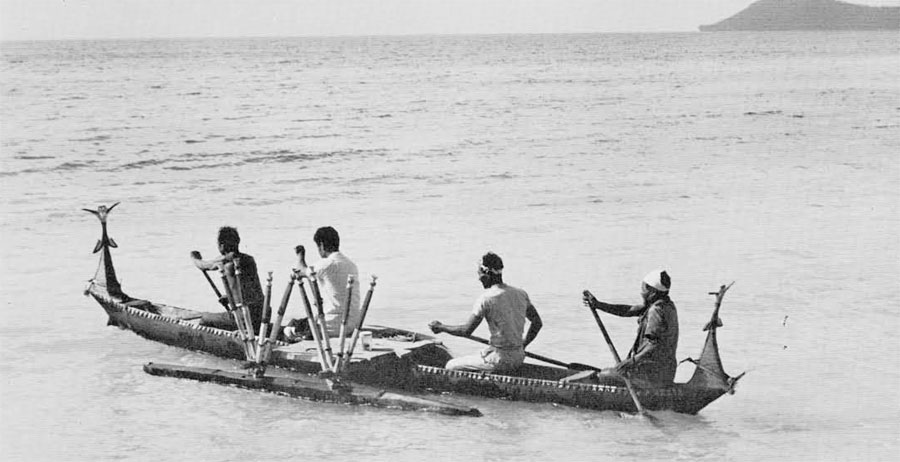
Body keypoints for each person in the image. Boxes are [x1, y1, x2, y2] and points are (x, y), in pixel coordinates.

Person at [428, 252, 543, 374]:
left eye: (479, 273)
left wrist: (441, 327)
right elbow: (537, 323)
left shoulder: (486, 298)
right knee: (481, 354)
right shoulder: (521, 293)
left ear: (486, 274)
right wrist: (522, 346)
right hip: (519, 357)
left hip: (499, 360)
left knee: (450, 366)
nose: (478, 278)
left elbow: (466, 331)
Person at [582, 269, 679, 386]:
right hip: (664, 372)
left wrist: (631, 362)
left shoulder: (655, 311)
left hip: (652, 374)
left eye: (644, 289)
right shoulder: (666, 305)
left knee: (605, 375)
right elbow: (627, 310)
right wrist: (598, 305)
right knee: (610, 372)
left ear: (653, 292)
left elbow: (654, 345)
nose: (641, 293)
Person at [287, 226, 360, 338]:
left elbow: (301, 271)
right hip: (353, 324)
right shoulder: (351, 265)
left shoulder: (327, 264)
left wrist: (300, 255)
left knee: (290, 327)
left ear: (321, 245)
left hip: (332, 327)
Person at [190, 226, 264, 334]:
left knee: (204, 319)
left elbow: (203, 265)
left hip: (243, 317)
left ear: (222, 245)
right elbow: (248, 292)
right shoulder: (249, 259)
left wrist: (194, 257)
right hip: (261, 314)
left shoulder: (225, 260)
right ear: (238, 241)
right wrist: (229, 297)